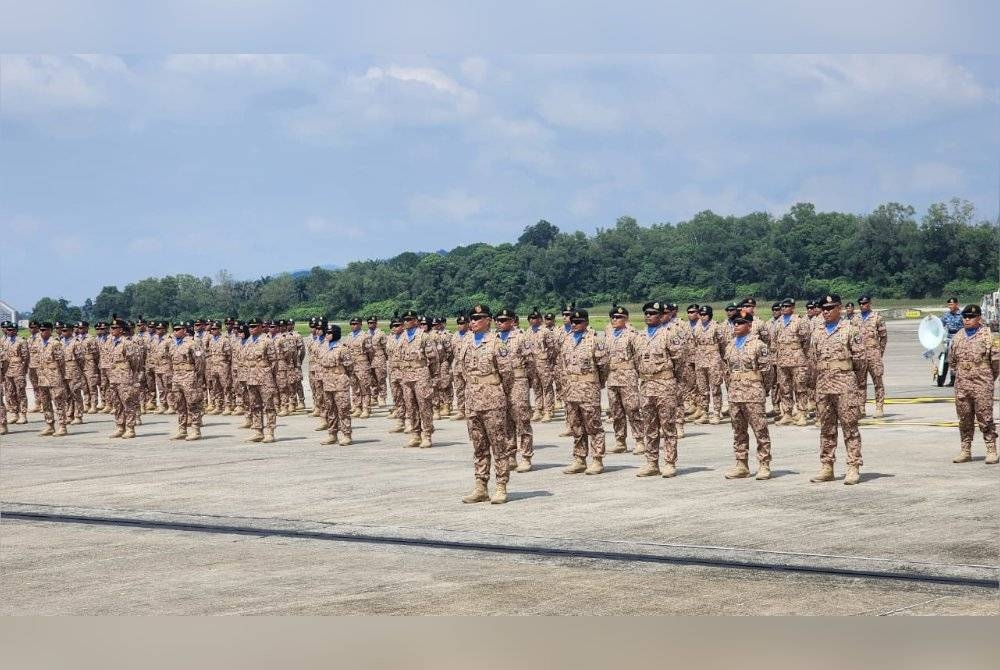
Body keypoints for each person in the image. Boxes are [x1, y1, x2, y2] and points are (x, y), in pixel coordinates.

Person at [459, 304, 515, 504]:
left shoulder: (497, 344)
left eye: (478, 318)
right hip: (472, 400)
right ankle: (481, 486)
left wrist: (498, 393)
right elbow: (462, 372)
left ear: (488, 320)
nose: (473, 321)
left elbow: (507, 376)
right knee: (479, 446)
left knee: (499, 445)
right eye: (471, 318)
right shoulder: (465, 342)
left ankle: (501, 486)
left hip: (493, 400)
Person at [809, 295, 867, 485]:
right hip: (824, 386)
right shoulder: (817, 332)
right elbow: (812, 361)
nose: (825, 311)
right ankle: (827, 466)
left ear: (839, 308)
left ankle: (853, 466)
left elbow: (860, 360)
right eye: (823, 309)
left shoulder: (850, 330)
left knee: (850, 427)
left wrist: (855, 383)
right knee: (826, 428)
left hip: (845, 385)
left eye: (830, 308)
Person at [634, 302, 685, 477]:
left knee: (668, 426)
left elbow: (680, 362)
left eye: (653, 313)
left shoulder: (669, 335)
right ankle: (651, 463)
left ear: (662, 315)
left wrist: (672, 380)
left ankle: (669, 463)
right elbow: (636, 362)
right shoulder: (639, 336)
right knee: (649, 426)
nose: (648, 316)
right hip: (647, 386)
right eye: (646, 313)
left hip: (665, 385)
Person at [722, 314, 774, 479]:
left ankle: (764, 464)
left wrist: (762, 389)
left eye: (740, 323)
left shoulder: (759, 346)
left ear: (749, 326)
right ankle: (741, 464)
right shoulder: (729, 345)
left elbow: (767, 371)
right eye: (734, 323)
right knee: (738, 431)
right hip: (735, 394)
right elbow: (727, 371)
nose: (736, 325)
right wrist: (731, 390)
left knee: (760, 430)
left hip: (753, 393)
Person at [559, 309, 610, 475]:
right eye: (572, 322)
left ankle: (597, 459)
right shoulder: (566, 340)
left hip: (588, 390)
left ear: (586, 322)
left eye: (578, 322)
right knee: (576, 426)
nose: (574, 324)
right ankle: (580, 458)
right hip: (571, 390)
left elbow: (603, 366)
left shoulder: (595, 340)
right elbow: (562, 365)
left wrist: (597, 383)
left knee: (593, 426)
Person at [947, 304, 999, 464]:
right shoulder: (958, 337)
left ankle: (991, 450)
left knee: (985, 417)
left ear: (979, 318)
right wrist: (963, 375)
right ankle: (966, 450)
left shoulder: (989, 336)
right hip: (962, 385)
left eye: (971, 317)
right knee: (964, 418)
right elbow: (952, 361)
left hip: (982, 385)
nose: (967, 320)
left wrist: (987, 377)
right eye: (965, 317)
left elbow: (996, 363)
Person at [495, 308, 534, 472]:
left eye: (504, 320)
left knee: (521, 418)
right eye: (498, 320)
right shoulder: (493, 339)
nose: (500, 323)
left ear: (512, 321)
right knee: (505, 421)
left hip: (518, 381)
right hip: (500, 383)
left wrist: (527, 381)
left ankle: (526, 456)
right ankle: (510, 455)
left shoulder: (521, 337)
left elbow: (531, 363)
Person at [605, 305, 643, 453]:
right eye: (613, 317)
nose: (615, 319)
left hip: (627, 376)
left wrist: (637, 374)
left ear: (626, 319)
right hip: (612, 376)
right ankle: (620, 441)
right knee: (616, 411)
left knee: (632, 409)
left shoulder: (632, 335)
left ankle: (640, 440)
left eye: (618, 317)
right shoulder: (609, 334)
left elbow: (639, 356)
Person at [398, 310, 439, 448]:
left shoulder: (424, 337)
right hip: (406, 375)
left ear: (416, 321)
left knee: (424, 406)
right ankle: (415, 434)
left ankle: (426, 434)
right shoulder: (402, 337)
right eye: (405, 319)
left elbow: (433, 359)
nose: (406, 322)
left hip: (421, 374)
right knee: (410, 406)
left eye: (409, 319)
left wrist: (434, 376)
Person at [773, 298, 812, 426]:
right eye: (782, 306)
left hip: (797, 360)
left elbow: (806, 341)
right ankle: (787, 413)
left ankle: (802, 413)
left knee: (800, 387)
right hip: (782, 360)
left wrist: (800, 353)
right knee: (784, 388)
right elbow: (774, 340)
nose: (783, 308)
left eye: (787, 306)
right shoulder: (778, 322)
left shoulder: (799, 321)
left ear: (793, 308)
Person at [167, 321, 206, 441]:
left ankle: (195, 429)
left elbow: (200, 362)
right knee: (179, 404)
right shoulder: (172, 344)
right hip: (177, 377)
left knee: (193, 404)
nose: (175, 332)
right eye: (174, 329)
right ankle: (182, 429)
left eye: (178, 329)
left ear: (184, 330)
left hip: (190, 377)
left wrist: (196, 376)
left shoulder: (193, 343)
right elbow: (170, 361)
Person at [104, 317, 141, 439]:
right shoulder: (109, 343)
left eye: (115, 328)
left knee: (128, 402)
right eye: (111, 328)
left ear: (121, 329)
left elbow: (135, 362)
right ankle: (120, 427)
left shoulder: (127, 343)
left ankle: (130, 428)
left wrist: (130, 374)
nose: (112, 330)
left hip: (125, 377)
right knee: (117, 403)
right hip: (113, 378)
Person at [243, 318, 279, 443]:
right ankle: (258, 431)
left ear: (260, 327)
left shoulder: (267, 341)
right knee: (255, 405)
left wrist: (269, 375)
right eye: (250, 327)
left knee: (269, 406)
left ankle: (270, 432)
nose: (251, 329)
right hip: (251, 378)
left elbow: (274, 362)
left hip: (265, 378)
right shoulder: (248, 341)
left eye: (254, 326)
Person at [318, 323, 355, 446]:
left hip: (340, 383)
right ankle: (332, 434)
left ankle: (346, 434)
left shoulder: (342, 349)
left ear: (335, 334)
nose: (326, 335)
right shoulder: (323, 347)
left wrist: (342, 376)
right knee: (330, 410)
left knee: (343, 409)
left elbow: (349, 366)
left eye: (329, 333)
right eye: (326, 332)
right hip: (327, 383)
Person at [854, 295, 888, 417]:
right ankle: (861, 408)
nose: (863, 305)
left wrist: (879, 352)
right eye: (861, 304)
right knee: (860, 383)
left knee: (877, 381)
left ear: (870, 303)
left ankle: (879, 407)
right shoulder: (855, 319)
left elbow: (883, 337)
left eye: (865, 303)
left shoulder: (876, 317)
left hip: (874, 354)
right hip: (860, 356)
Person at [691, 305, 726, 424]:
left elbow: (723, 344)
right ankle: (704, 413)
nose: (702, 317)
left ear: (710, 315)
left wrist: (721, 358)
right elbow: (694, 343)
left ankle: (717, 412)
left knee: (715, 387)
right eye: (701, 314)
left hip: (714, 361)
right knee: (702, 389)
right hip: (700, 360)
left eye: (705, 314)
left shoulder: (716, 326)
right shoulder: (697, 327)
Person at [34, 322, 68, 436]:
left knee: (58, 402)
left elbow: (61, 362)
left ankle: (62, 426)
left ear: (50, 331)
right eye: (41, 330)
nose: (42, 332)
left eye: (45, 330)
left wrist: (62, 376)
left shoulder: (55, 344)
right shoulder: (38, 343)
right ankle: (50, 425)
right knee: (46, 403)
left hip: (54, 377)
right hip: (42, 378)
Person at [2, 321, 29, 424]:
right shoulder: (4, 342)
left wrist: (23, 370)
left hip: (18, 370)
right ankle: (14, 413)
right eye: (8, 330)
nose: (10, 331)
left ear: (16, 331)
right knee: (10, 393)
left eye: (12, 330)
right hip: (7, 371)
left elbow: (25, 357)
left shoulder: (21, 341)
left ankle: (23, 415)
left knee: (20, 392)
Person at [940, 297, 963, 386]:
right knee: (946, 359)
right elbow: (939, 324)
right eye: (949, 304)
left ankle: (954, 380)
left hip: (959, 338)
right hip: (949, 339)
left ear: (957, 304)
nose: (950, 306)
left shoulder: (962, 315)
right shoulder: (946, 315)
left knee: (957, 361)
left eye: (952, 304)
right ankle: (941, 380)